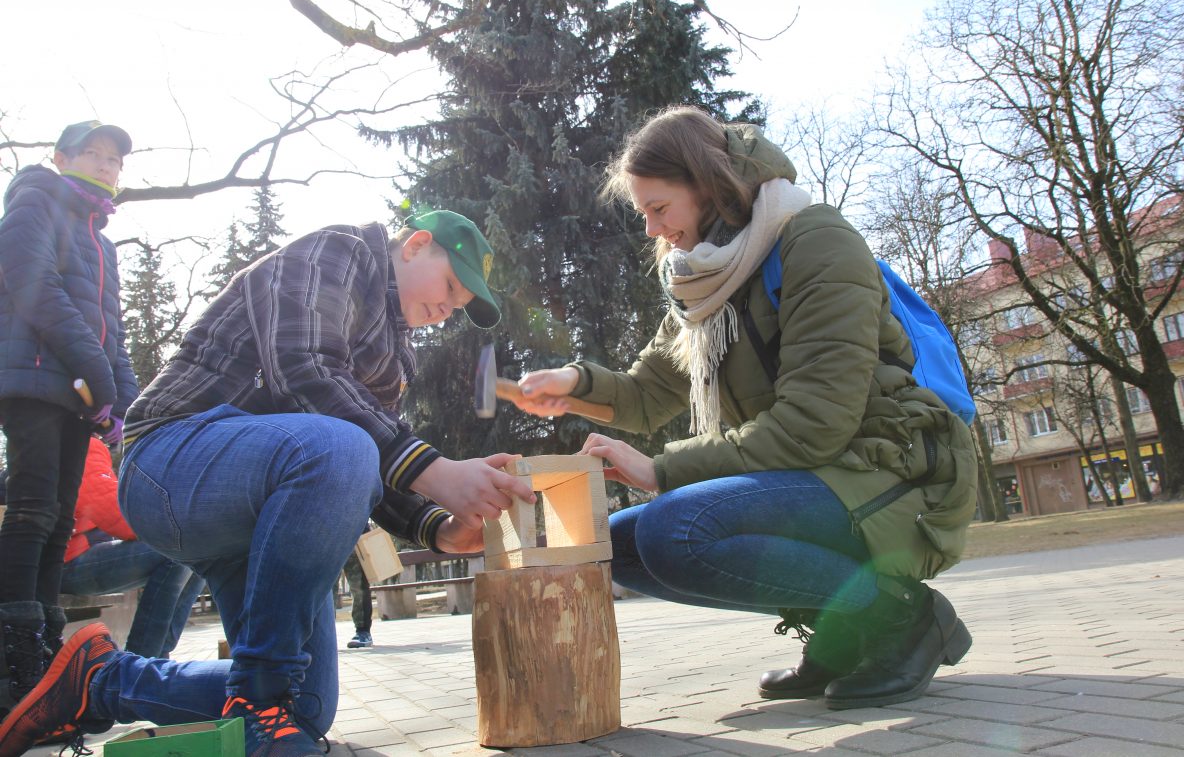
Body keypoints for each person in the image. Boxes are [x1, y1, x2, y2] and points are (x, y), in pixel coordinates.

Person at [0, 210, 535, 757]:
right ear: (416, 245)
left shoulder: (396, 355)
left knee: (306, 707)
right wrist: (439, 471)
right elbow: (302, 368)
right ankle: (260, 694)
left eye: (459, 307)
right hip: (169, 460)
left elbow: (369, 463)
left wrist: (439, 528)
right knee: (339, 445)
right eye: (450, 286)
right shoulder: (344, 252)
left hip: (258, 518)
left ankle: (100, 683)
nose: (446, 309)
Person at [509, 106, 978, 710]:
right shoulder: (707, 278)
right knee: (621, 546)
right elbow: (650, 394)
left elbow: (814, 425)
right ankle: (845, 627)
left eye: (658, 209)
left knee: (674, 530)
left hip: (893, 471)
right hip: (819, 473)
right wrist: (574, 382)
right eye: (643, 214)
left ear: (706, 187)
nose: (652, 230)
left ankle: (900, 618)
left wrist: (662, 470)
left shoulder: (816, 243)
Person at [0, 121, 137, 712]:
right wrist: (97, 373)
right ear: (60, 157)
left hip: (81, 394)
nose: (105, 166)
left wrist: (123, 397)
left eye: (114, 160)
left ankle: (49, 649)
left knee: (59, 518)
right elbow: (36, 291)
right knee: (31, 509)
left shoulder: (101, 240)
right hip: (32, 379)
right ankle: (15, 652)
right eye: (93, 154)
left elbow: (115, 330)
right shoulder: (34, 206)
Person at [57, 437, 206, 658]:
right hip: (67, 562)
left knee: (202, 552)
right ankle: (140, 660)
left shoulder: (60, 440)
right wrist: (168, 529)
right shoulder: (82, 444)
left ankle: (159, 655)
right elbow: (111, 509)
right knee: (178, 549)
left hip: (65, 559)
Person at [343, 539, 374, 649]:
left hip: (353, 539)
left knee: (359, 587)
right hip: (325, 539)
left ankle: (363, 632)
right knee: (325, 590)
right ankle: (324, 636)